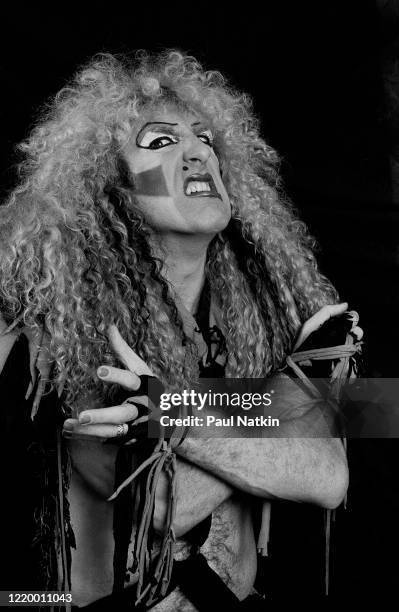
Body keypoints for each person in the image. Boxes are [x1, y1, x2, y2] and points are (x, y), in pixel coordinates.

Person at [0, 50, 352, 610]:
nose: (198, 153)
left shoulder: (266, 323)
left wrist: (169, 414)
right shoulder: (63, 337)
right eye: (161, 143)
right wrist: (276, 411)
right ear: (109, 189)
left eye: (206, 139)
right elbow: (163, 505)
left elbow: (329, 478)